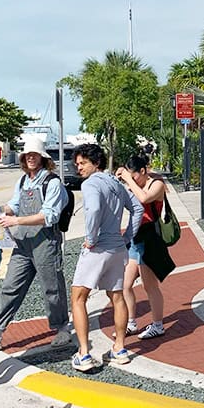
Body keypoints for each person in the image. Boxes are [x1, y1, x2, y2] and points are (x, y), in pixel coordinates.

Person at [0, 137, 71, 351]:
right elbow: (14, 205)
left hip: (46, 243)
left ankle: (62, 329)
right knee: (10, 286)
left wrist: (16, 221)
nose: (31, 158)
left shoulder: (52, 183)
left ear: (43, 158)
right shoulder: (23, 181)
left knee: (52, 288)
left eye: (35, 154)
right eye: (27, 155)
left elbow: (49, 216)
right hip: (24, 243)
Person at [70, 143, 143, 371]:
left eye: (83, 163)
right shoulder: (115, 183)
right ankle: (119, 348)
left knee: (78, 297)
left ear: (96, 162)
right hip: (117, 248)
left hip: (97, 249)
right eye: (77, 164)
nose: (78, 167)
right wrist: (128, 236)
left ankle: (83, 353)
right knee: (117, 297)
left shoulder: (91, 184)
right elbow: (137, 208)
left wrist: (91, 238)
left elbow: (92, 210)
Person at [117, 153, 175, 340]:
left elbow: (144, 199)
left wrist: (128, 180)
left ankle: (158, 325)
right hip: (136, 238)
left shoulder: (156, 184)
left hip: (150, 238)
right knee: (125, 285)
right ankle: (131, 322)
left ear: (143, 171)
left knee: (150, 286)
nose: (132, 180)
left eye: (134, 176)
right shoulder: (134, 184)